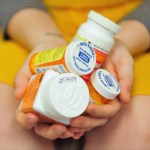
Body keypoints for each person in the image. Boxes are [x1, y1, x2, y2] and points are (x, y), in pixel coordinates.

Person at [0, 0, 150, 150]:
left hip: (135, 32)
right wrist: (48, 40)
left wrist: (117, 45)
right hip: (31, 25)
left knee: (138, 128)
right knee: (4, 121)